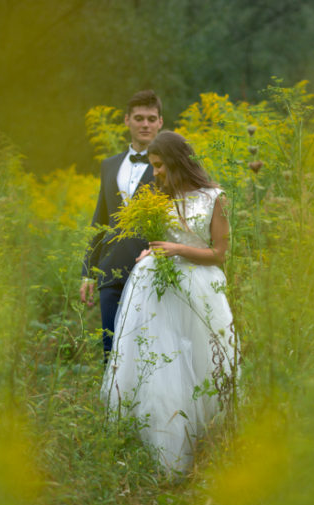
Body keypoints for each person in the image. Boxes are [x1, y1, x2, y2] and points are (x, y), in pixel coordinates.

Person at [100, 131, 237, 474]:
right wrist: (152, 249)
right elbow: (160, 238)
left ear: (176, 161)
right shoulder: (160, 197)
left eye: (159, 166)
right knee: (161, 364)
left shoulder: (215, 197)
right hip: (156, 286)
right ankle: (159, 446)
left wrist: (178, 250)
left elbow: (220, 253)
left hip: (199, 287)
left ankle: (209, 443)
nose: (156, 173)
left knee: (201, 359)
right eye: (152, 166)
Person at [80, 90, 164, 361]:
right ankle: (111, 405)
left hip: (153, 269)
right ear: (127, 121)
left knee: (148, 350)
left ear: (160, 122)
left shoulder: (170, 166)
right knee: (110, 349)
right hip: (110, 270)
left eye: (151, 119)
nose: (145, 124)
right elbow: (100, 219)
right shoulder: (109, 165)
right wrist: (88, 271)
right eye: (139, 118)